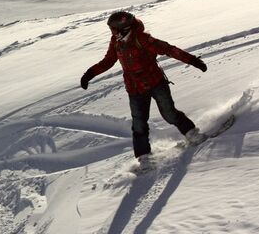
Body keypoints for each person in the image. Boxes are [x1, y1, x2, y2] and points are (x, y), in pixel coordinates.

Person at [80, 11, 208, 169]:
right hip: (135, 89)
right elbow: (108, 61)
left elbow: (168, 49)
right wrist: (89, 75)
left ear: (124, 28)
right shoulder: (116, 41)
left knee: (169, 113)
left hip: (155, 83)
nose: (112, 33)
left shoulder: (142, 39)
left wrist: (193, 60)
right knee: (139, 124)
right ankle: (144, 157)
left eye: (113, 29)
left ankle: (192, 134)